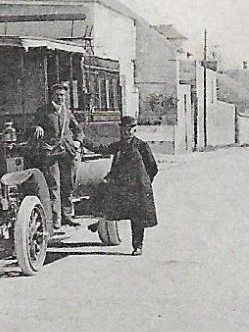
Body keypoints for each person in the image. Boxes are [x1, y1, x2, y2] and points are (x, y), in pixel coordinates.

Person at [92, 115, 158, 255]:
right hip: (122, 187)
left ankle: (138, 246)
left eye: (130, 129)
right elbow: (102, 149)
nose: (127, 132)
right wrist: (83, 141)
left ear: (135, 130)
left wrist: (145, 182)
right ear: (121, 130)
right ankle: (99, 220)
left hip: (138, 188)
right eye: (124, 129)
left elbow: (152, 167)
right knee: (106, 199)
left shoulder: (141, 146)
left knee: (138, 218)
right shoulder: (119, 146)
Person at [32, 83, 82, 226]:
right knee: (54, 185)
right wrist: (38, 127)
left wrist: (77, 141)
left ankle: (67, 215)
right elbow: (33, 125)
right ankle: (56, 218)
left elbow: (78, 129)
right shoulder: (43, 111)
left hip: (67, 151)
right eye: (58, 95)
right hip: (51, 152)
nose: (60, 98)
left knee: (68, 184)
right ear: (52, 96)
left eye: (63, 95)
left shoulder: (67, 112)